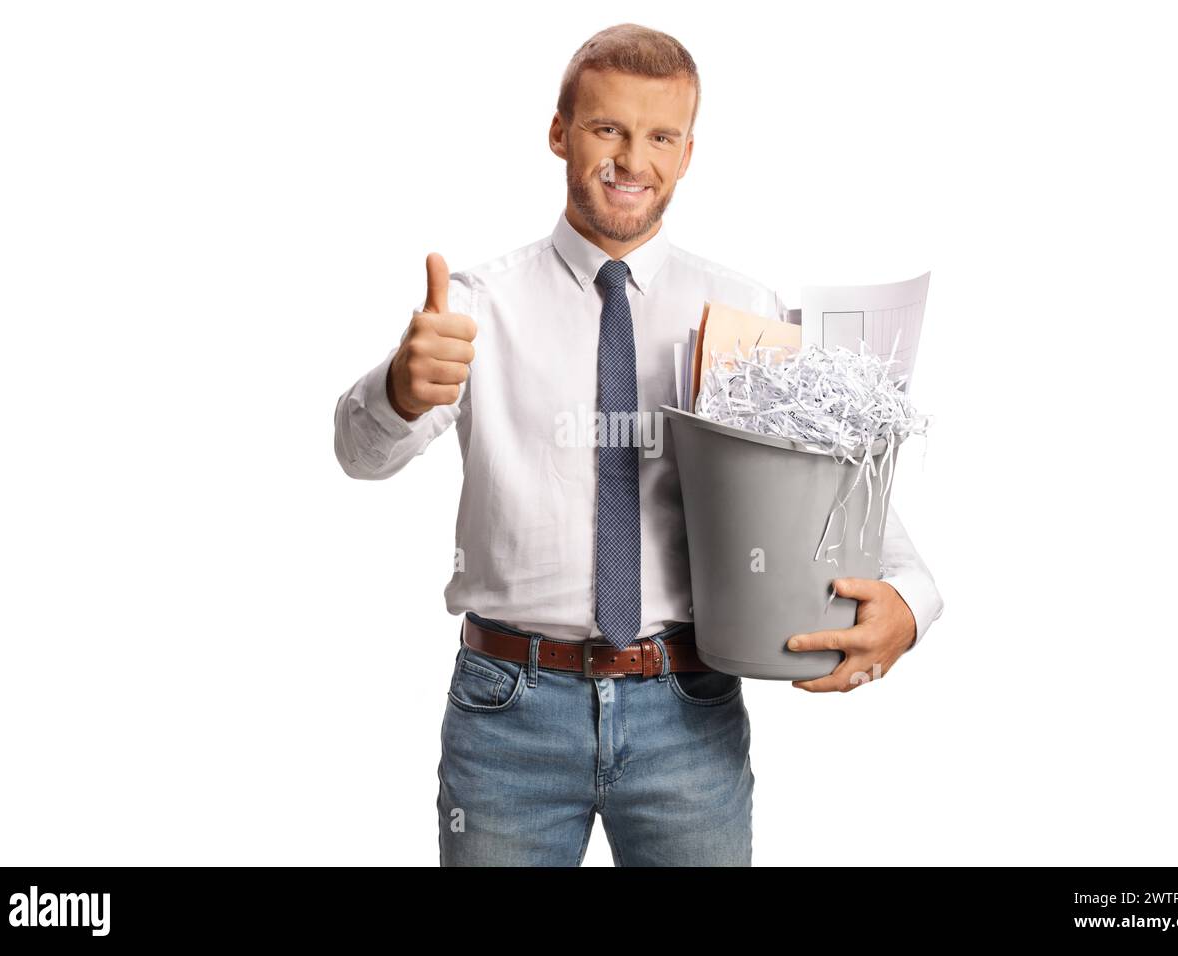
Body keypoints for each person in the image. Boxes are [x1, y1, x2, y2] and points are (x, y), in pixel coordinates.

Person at [333, 23, 944, 866]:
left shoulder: (743, 313)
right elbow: (362, 455)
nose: (633, 160)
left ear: (689, 153)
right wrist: (400, 389)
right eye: (606, 129)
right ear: (560, 134)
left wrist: (910, 601)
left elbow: (827, 488)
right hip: (510, 710)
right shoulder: (478, 307)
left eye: (661, 136)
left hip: (687, 707)